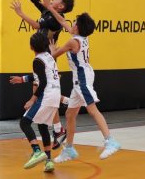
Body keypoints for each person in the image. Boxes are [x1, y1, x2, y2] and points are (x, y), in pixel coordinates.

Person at [46, 10, 121, 162]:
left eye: (74, 23)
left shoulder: (73, 42)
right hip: (82, 75)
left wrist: (53, 50)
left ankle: (110, 141)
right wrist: (50, 8)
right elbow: (63, 21)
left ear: (77, 27)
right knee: (70, 114)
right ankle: (69, 149)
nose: (71, 24)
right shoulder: (80, 36)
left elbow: (53, 56)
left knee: (92, 110)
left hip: (82, 78)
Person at [11, 0, 75, 147]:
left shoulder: (57, 19)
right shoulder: (47, 11)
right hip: (43, 55)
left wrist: (21, 14)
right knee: (46, 94)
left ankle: (62, 118)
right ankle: (59, 125)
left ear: (61, 6)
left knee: (42, 93)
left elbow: (37, 26)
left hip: (47, 56)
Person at [18, 32, 61, 172]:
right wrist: (22, 79)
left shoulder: (37, 60)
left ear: (31, 47)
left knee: (24, 123)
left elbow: (43, 82)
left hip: (46, 96)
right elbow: (40, 76)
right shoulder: (49, 57)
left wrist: (32, 99)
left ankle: (37, 151)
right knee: (42, 126)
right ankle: (48, 161)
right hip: (55, 95)